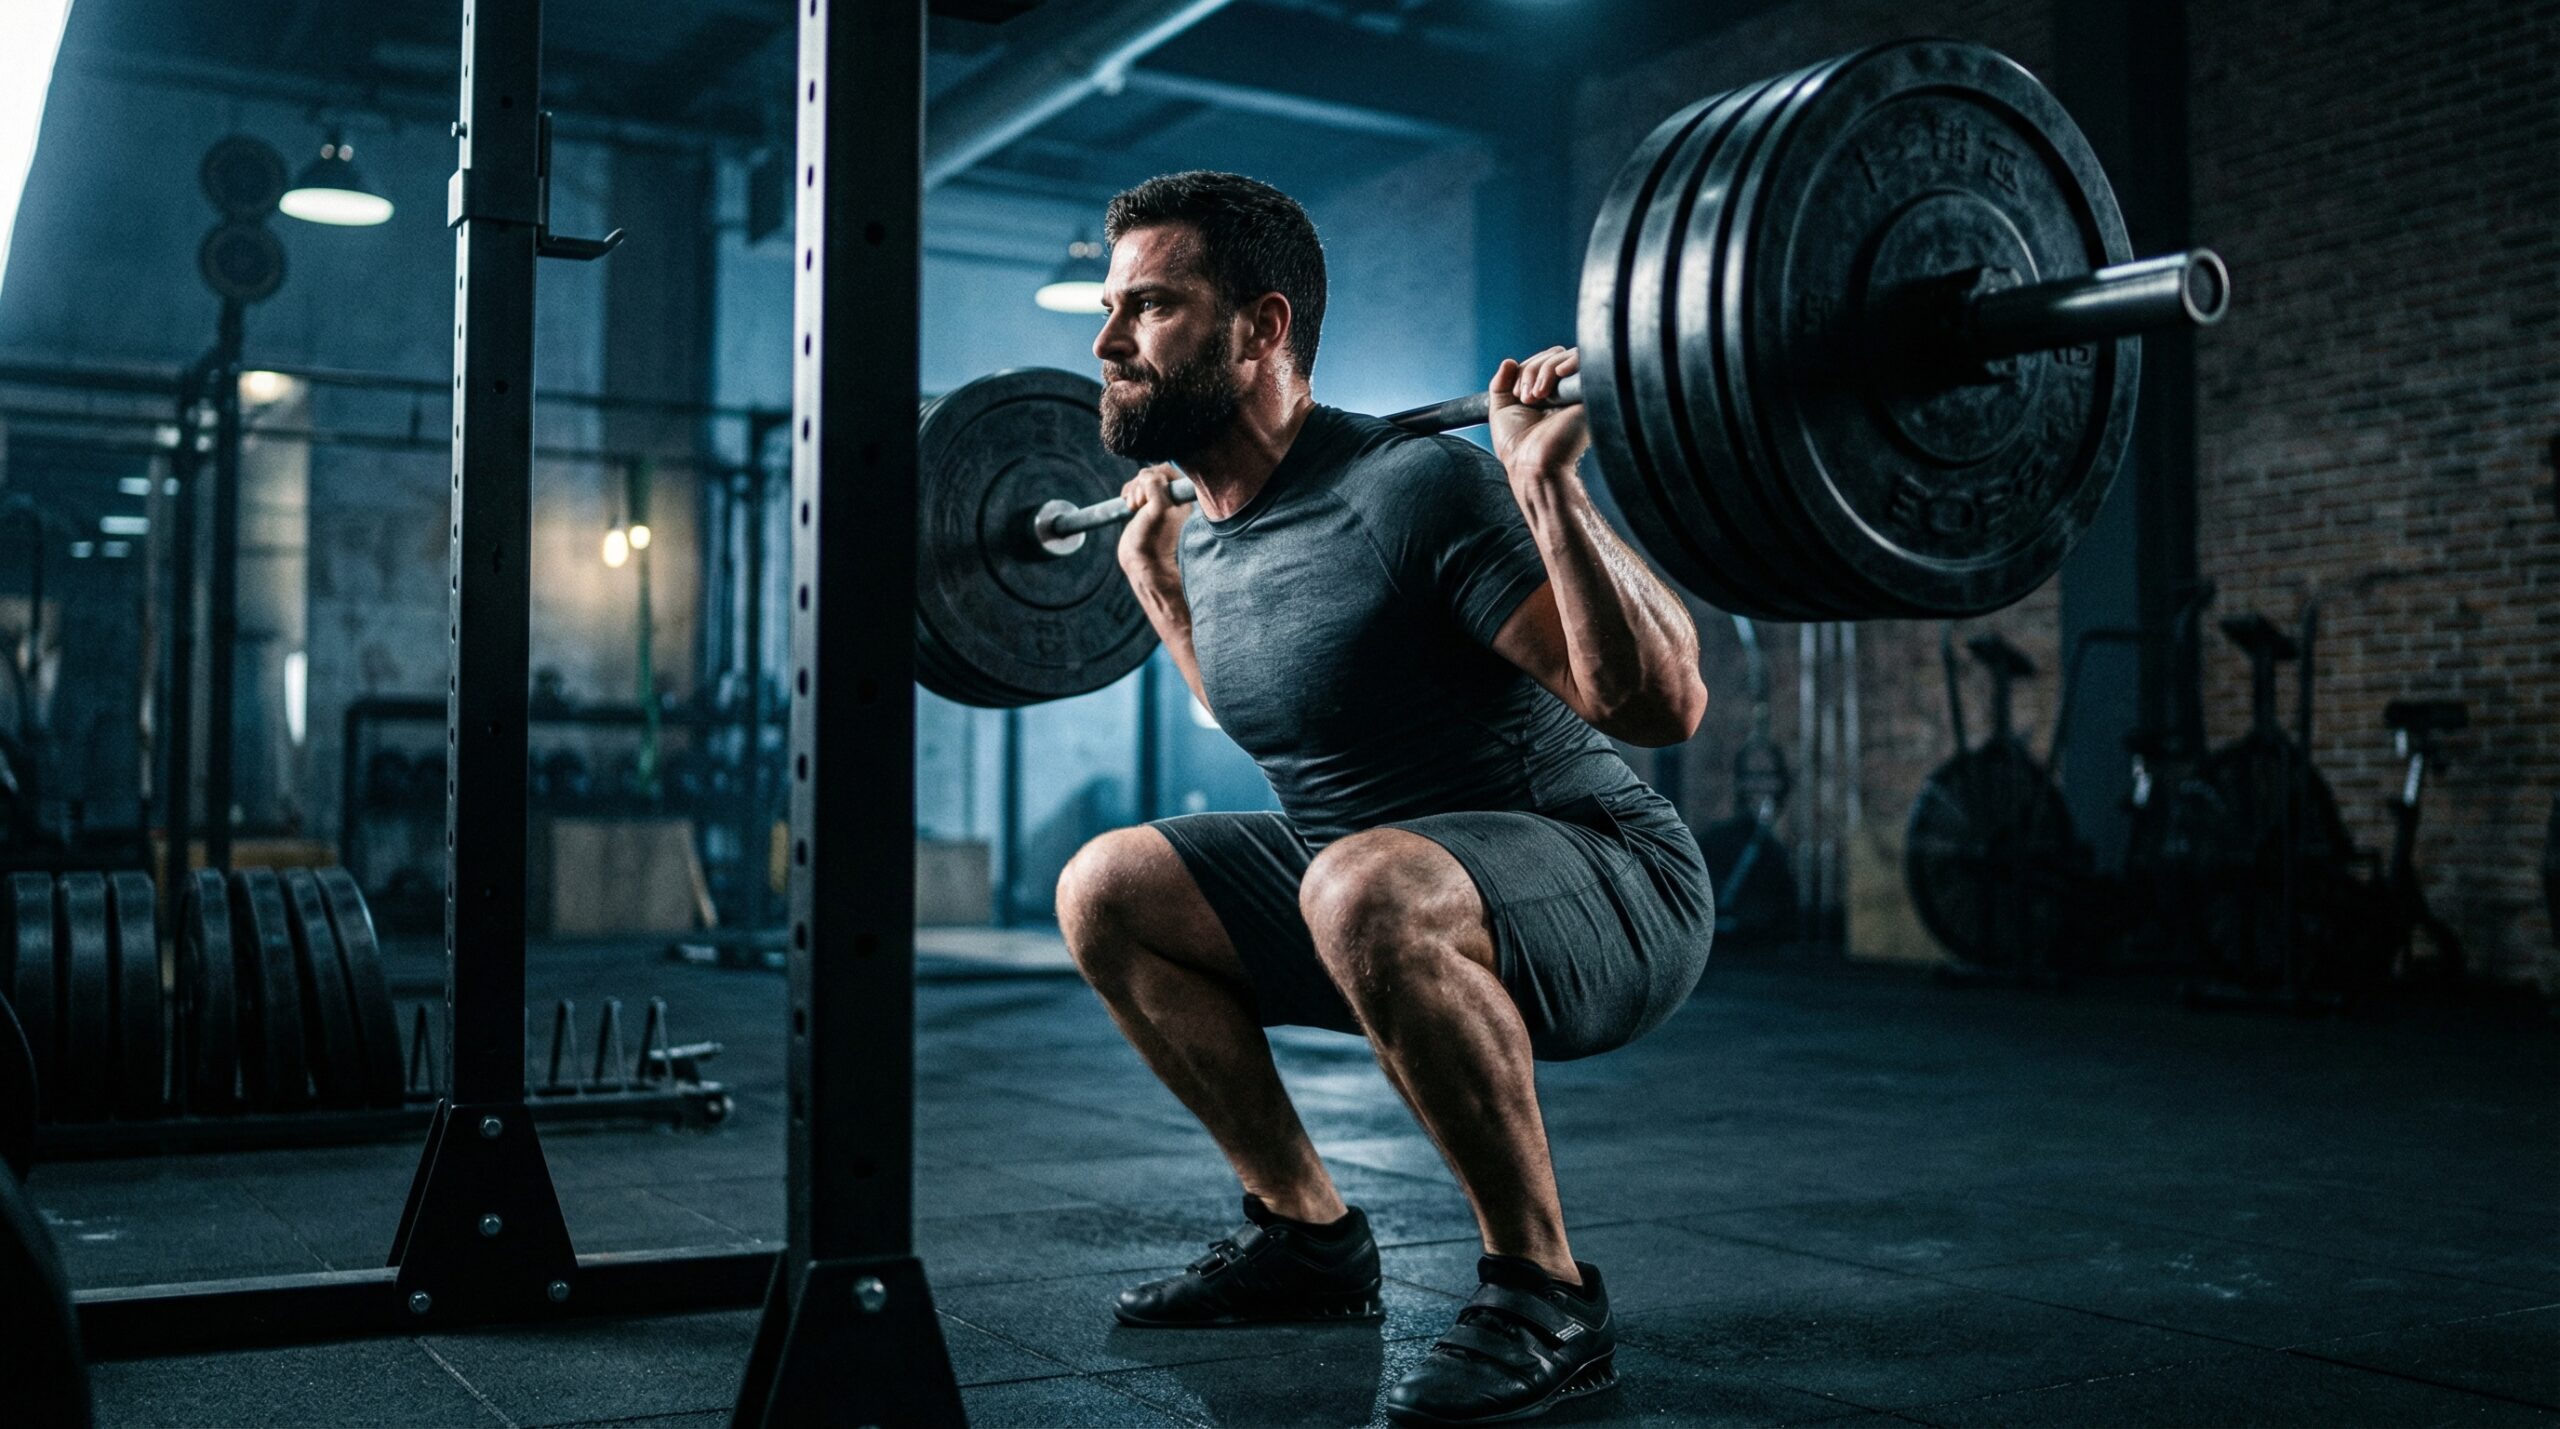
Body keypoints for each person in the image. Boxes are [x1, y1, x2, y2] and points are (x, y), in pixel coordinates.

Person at [1055, 170, 1714, 1426]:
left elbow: (1659, 709)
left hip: (1611, 882)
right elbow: (1283, 712)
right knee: (1108, 886)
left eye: (1148, 307)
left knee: (1356, 878)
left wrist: (1545, 485)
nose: (1105, 342)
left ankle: (1546, 1292)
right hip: (1372, 887)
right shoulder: (1206, 530)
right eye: (1107, 308)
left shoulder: (1414, 487)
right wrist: (1155, 582)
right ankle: (1306, 1236)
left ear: (1262, 328)